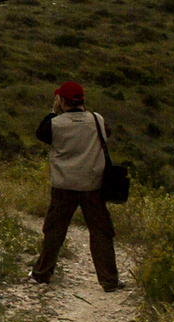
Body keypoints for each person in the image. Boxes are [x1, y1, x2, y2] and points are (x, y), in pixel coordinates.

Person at [30, 80, 120, 291]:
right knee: (101, 232)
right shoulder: (97, 120)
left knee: (54, 231)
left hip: (64, 185)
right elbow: (107, 134)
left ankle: (42, 274)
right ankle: (109, 280)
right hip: (93, 185)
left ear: (61, 101)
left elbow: (40, 133)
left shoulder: (55, 124)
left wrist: (53, 112)